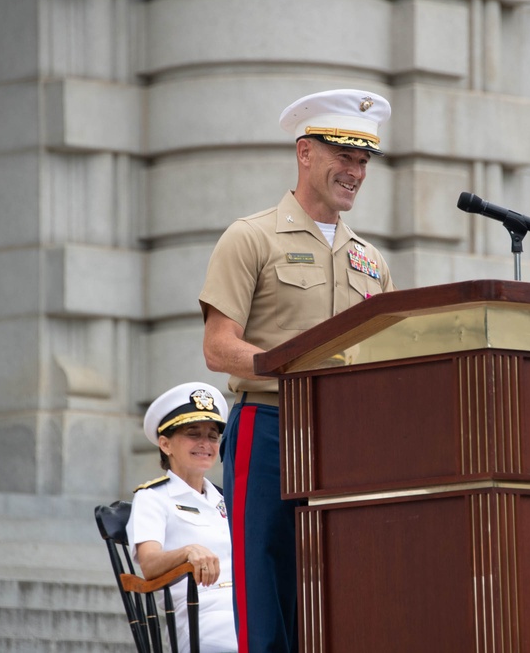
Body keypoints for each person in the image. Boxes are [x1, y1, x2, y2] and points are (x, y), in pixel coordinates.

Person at [198, 88, 395, 652]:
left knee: (339, 594)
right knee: (263, 586)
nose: (355, 171)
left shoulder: (373, 262)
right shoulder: (251, 237)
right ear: (305, 152)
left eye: (363, 161)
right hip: (271, 431)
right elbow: (218, 347)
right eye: (343, 156)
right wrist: (288, 366)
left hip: (348, 441)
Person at [127, 382, 236, 653]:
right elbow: (150, 564)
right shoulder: (153, 498)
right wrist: (187, 552)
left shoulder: (227, 499)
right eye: (193, 434)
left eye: (212, 436)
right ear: (165, 444)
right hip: (202, 616)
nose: (205, 444)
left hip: (247, 606)